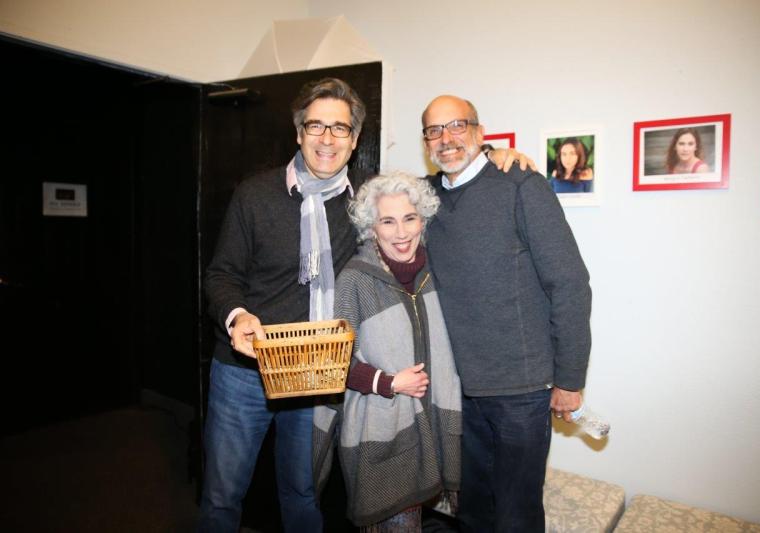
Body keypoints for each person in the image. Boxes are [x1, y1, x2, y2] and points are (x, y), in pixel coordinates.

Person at [200, 77, 532, 532]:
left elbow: (428, 191)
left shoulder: (365, 197)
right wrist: (236, 316)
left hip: (314, 373)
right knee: (222, 496)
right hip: (246, 371)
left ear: (355, 139)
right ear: (298, 133)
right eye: (316, 126)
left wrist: (489, 154)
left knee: (302, 493)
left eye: (340, 128)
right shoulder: (255, 194)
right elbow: (221, 274)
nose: (327, 139)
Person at [420, 95, 592, 533]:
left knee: (517, 514)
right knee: (472, 509)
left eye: (457, 126)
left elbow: (569, 283)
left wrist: (570, 379)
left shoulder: (521, 185)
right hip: (458, 387)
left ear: (480, 132)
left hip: (521, 391)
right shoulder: (424, 198)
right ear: (426, 143)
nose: (446, 138)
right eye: (434, 130)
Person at [313, 172, 461, 532]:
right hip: (382, 438)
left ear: (423, 220)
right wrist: (387, 382)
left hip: (437, 430)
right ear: (371, 228)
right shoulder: (354, 280)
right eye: (388, 221)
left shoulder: (438, 271)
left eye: (410, 218)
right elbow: (331, 363)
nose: (401, 233)